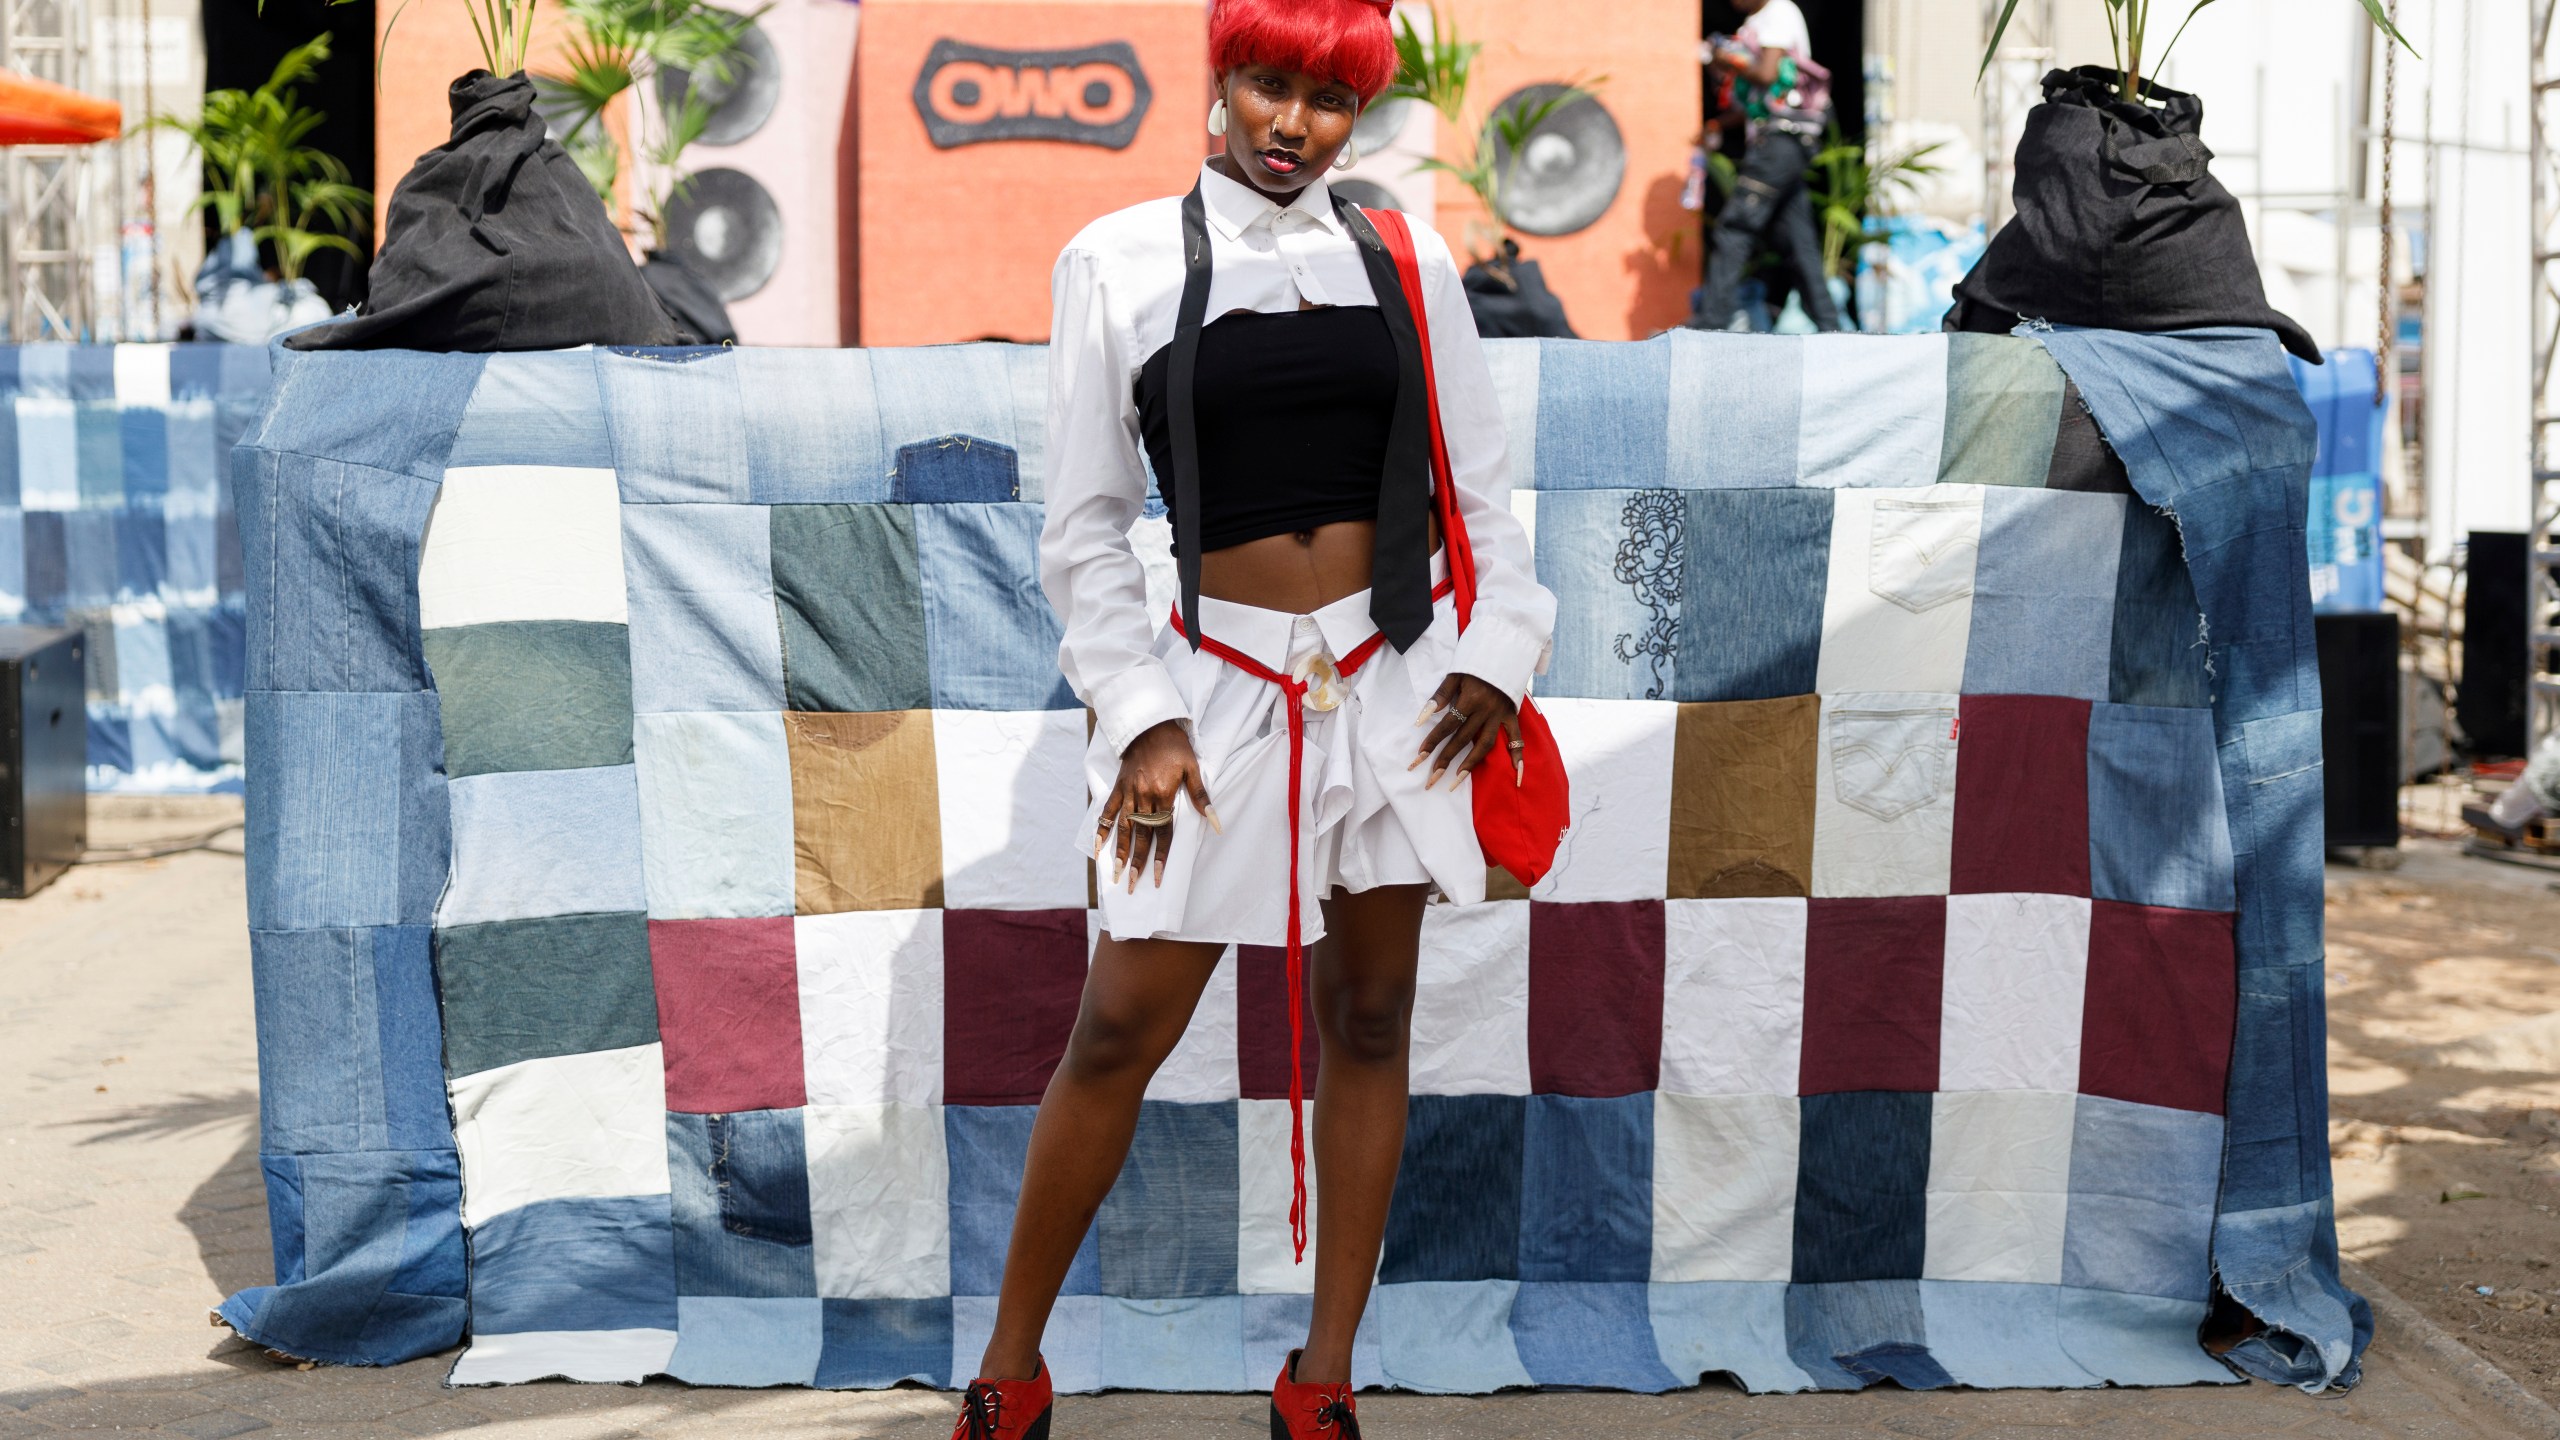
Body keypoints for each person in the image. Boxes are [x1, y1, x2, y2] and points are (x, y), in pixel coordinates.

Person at [956, 0, 1557, 1435]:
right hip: (1212, 690)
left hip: (1396, 684)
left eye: (1329, 98)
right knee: (1118, 1027)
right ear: (1220, 83)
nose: (1295, 123)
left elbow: (1479, 493)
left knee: (1372, 1014)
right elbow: (1088, 530)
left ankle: (1324, 1381)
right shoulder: (1115, 262)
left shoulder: (1402, 253)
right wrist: (1143, 715)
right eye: (1270, 86)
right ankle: (1010, 1373)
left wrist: (1496, 655)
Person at [1693, 0, 1842, 332]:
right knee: (1799, 240)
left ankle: (1709, 325)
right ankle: (1832, 329)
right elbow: (1762, 97)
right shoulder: (1758, 20)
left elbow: (1766, 73)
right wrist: (1719, 124)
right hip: (1779, 139)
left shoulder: (1778, 12)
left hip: (1781, 141)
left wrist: (1723, 58)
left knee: (1735, 227)